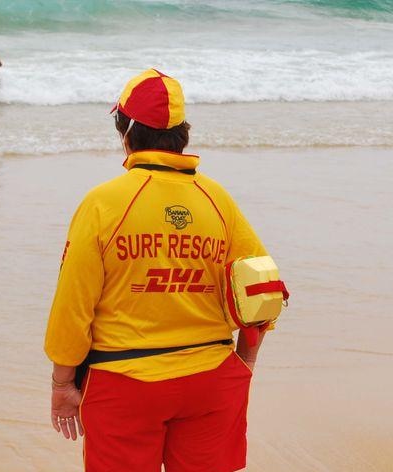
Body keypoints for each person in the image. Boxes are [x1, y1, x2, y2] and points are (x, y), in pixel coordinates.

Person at [44, 69, 277, 471]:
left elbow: (73, 304)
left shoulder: (104, 203)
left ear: (126, 131)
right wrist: (246, 360)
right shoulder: (216, 198)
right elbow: (262, 290)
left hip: (125, 383)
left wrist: (63, 383)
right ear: (182, 134)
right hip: (211, 379)